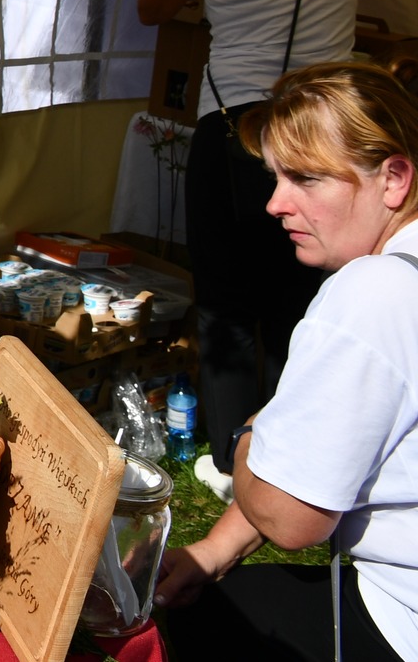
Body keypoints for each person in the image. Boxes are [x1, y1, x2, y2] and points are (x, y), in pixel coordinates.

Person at [138, 0, 413, 495]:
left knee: (226, 304)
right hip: (322, 134)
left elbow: (152, 7)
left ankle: (234, 458)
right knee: (302, 298)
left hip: (235, 127)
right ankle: (302, 450)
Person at [156, 63, 418, 662]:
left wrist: (247, 437)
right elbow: (329, 440)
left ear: (393, 179)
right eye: (276, 177)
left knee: (207, 621)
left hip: (404, 618)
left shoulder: (374, 292)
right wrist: (213, 551)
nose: (275, 203)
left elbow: (290, 518)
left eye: (306, 178)